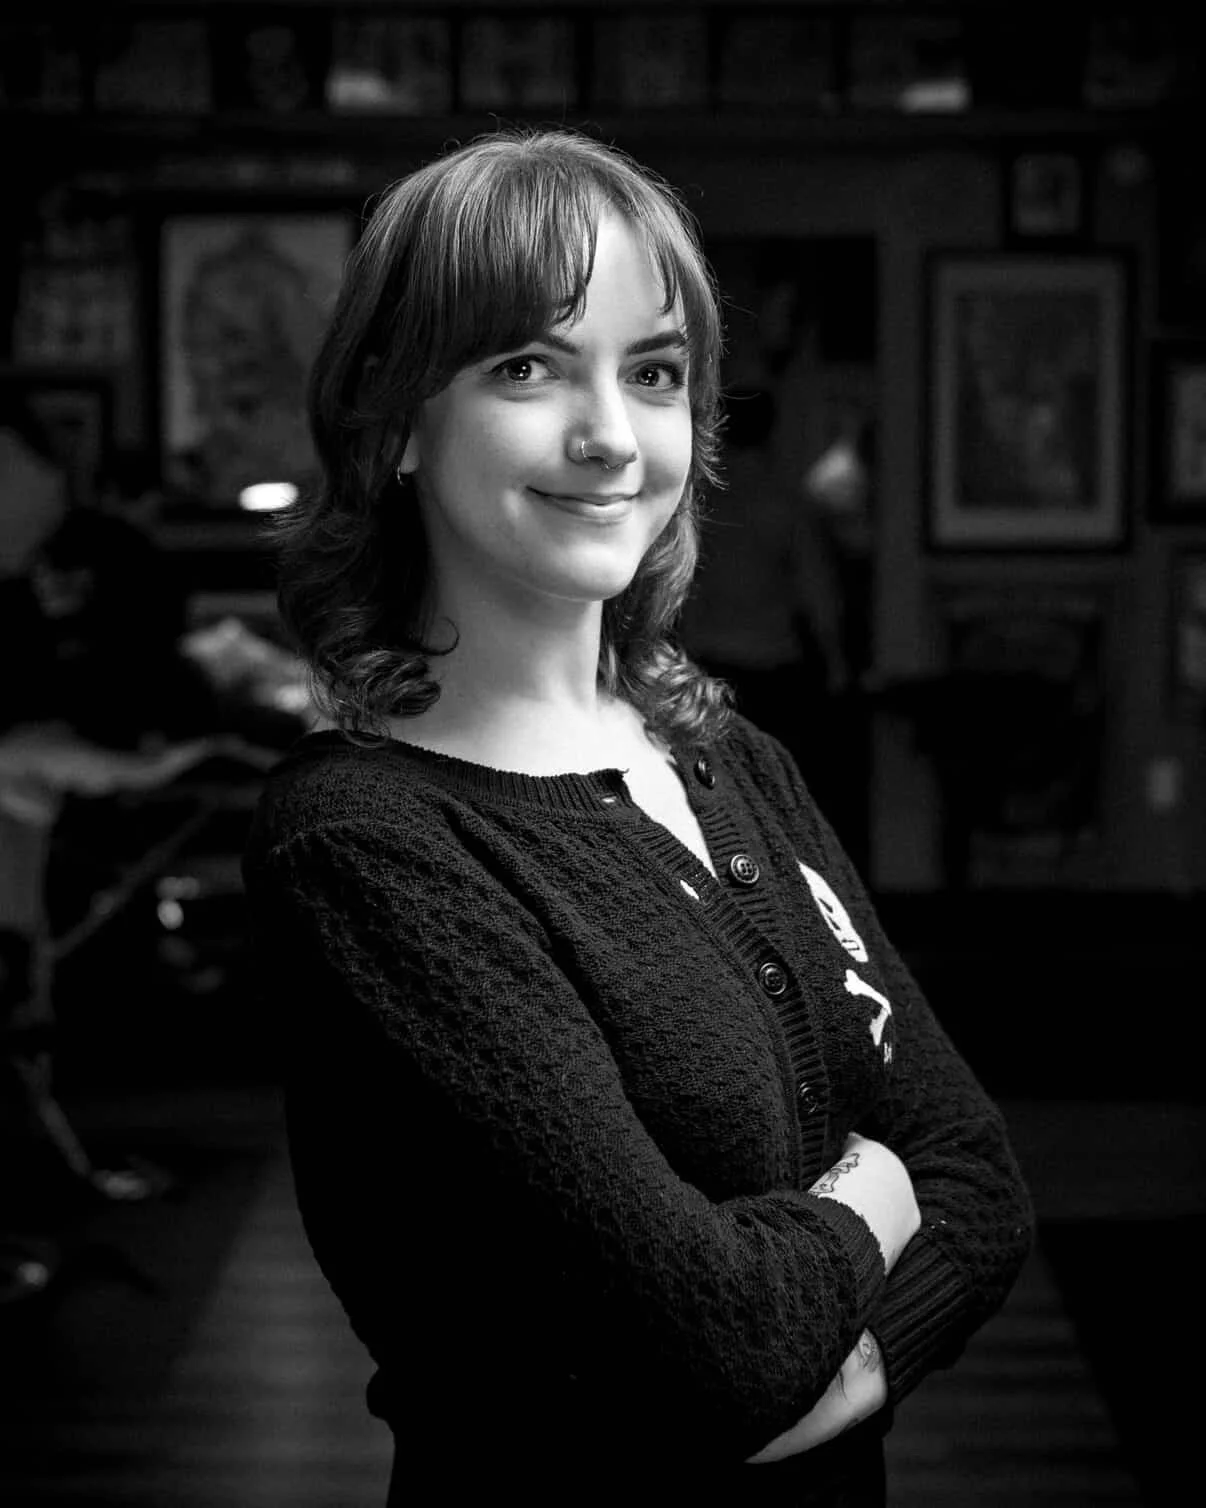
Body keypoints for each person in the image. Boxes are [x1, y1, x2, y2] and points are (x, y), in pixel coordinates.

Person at [241, 128, 1033, 1506]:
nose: (611, 434)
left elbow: (978, 1175)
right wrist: (875, 1199)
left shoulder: (732, 762)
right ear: (391, 420)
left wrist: (852, 1370)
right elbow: (716, 1352)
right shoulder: (368, 843)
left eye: (653, 371)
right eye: (526, 367)